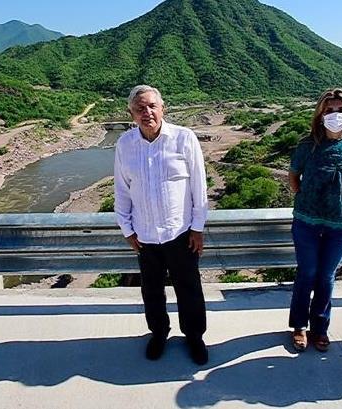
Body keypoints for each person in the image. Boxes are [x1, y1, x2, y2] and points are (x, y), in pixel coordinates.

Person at [114, 85, 209, 365]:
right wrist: (127, 229)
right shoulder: (125, 144)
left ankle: (194, 336)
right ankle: (159, 333)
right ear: (131, 114)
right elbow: (121, 188)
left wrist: (197, 228)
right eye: (140, 108)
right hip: (144, 235)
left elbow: (198, 187)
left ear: (162, 108)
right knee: (151, 290)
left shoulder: (184, 138)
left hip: (180, 233)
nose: (147, 112)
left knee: (189, 288)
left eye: (152, 106)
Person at [287, 88, 342, 352]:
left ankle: (319, 328)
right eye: (330, 110)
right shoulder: (307, 145)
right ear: (320, 114)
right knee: (307, 273)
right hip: (307, 221)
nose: (335, 115)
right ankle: (299, 326)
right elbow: (293, 178)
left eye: (340, 110)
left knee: (326, 276)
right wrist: (307, 199)